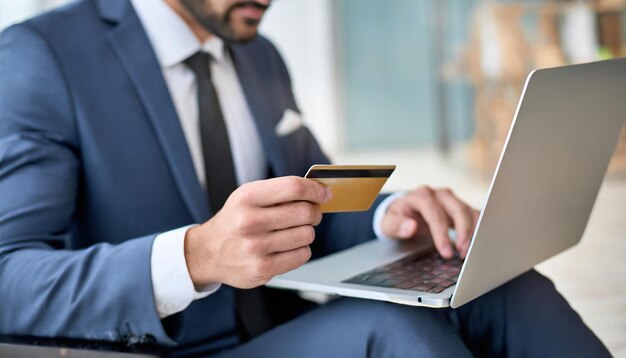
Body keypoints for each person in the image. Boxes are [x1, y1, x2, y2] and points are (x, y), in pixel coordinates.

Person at [0, 0, 611, 356]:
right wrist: (194, 257)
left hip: (280, 327)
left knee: (499, 286)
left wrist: (387, 214)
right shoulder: (42, 57)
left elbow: (314, 201)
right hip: (168, 347)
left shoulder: (256, 52)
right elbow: (8, 277)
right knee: (395, 329)